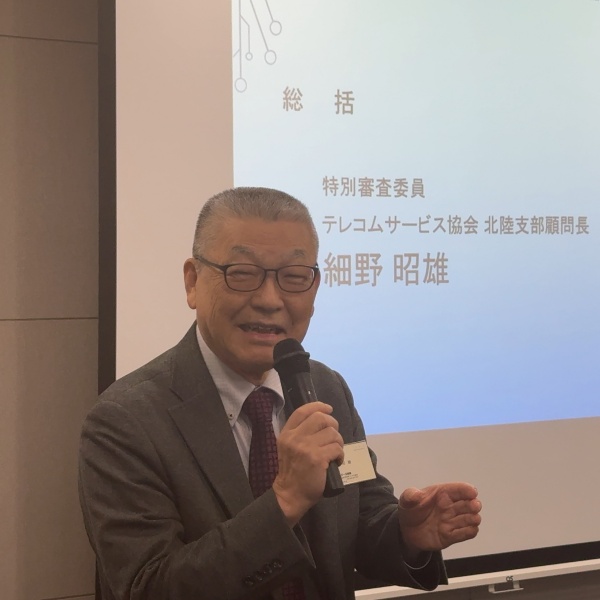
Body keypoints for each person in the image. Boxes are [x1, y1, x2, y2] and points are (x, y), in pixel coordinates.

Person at [79, 187, 482, 600]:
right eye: (242, 273)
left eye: (293, 277)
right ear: (193, 282)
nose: (270, 300)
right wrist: (285, 499)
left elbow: (361, 519)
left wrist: (407, 534)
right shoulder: (124, 422)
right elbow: (148, 588)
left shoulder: (326, 388)